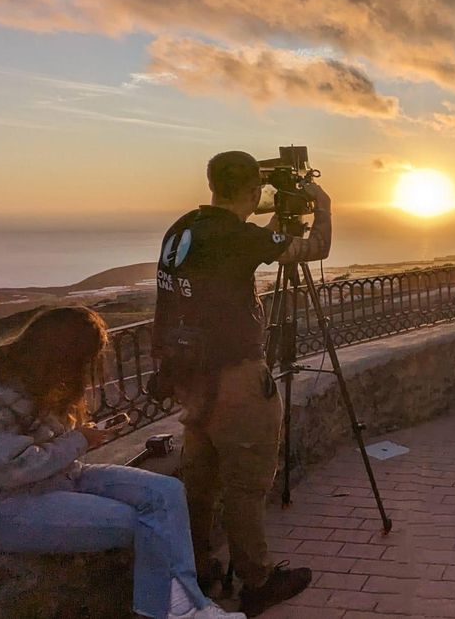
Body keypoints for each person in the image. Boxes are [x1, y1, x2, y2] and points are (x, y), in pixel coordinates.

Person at [0, 307, 244, 619]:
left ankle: (183, 605)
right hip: (8, 506)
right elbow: (10, 470)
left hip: (63, 477)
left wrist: (81, 437)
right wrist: (80, 440)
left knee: (167, 492)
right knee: (147, 521)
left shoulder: (35, 380)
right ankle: (177, 610)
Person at [154, 151, 332, 616]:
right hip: (233, 376)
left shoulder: (184, 228)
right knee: (246, 484)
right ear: (254, 192)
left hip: (191, 377)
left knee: (201, 480)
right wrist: (323, 206)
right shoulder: (235, 235)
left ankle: (198, 569)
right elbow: (315, 249)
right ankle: (257, 581)